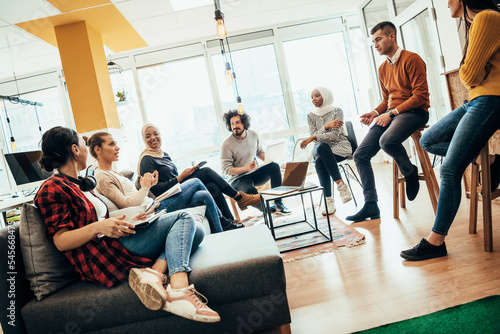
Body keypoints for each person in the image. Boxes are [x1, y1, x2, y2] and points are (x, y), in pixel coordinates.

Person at [35, 126, 220, 323]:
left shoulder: (80, 183)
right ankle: (179, 289)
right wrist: (99, 227)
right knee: (184, 218)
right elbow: (61, 240)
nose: (85, 147)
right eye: (82, 142)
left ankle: (155, 273)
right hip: (103, 253)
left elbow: (101, 218)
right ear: (74, 149)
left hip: (114, 239)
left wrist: (130, 219)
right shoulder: (52, 188)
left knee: (197, 231)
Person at [401, 1, 500, 261]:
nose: (446, 3)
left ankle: (436, 242)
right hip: (476, 100)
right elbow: (471, 76)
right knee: (429, 139)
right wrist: (475, 72)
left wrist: (475, 72)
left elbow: (467, 76)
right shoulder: (476, 22)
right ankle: (489, 160)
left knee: (449, 169)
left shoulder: (486, 18)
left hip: (491, 98)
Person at [346, 21, 430, 222]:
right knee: (360, 155)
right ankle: (371, 205)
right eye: (373, 41)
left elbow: (420, 96)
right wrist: (375, 112)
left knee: (386, 141)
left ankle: (409, 170)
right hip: (394, 114)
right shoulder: (383, 68)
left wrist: (391, 114)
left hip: (416, 112)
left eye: (378, 39)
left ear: (392, 36)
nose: (375, 45)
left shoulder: (412, 59)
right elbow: (387, 99)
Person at [88, 131, 226, 234]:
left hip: (153, 204)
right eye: (112, 144)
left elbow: (136, 197)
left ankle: (221, 234)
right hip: (152, 212)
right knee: (196, 181)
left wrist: (149, 187)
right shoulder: (102, 177)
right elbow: (125, 204)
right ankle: (225, 221)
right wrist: (145, 187)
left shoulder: (113, 173)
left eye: (116, 144)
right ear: (98, 149)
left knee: (203, 195)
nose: (117, 148)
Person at [137, 124, 261, 230]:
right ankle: (239, 197)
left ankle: (229, 222)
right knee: (206, 171)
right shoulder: (146, 160)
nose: (153, 138)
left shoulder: (164, 154)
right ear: (143, 139)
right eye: (148, 136)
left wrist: (186, 174)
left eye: (155, 134)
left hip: (177, 189)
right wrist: (180, 178)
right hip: (166, 199)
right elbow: (156, 189)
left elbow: (171, 177)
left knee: (211, 186)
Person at [220, 110, 291, 215]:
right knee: (250, 192)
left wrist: (270, 159)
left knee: (274, 166)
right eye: (232, 123)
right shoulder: (227, 145)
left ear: (244, 123)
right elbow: (226, 170)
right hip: (238, 179)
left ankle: (278, 203)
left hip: (254, 173)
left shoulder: (253, 135)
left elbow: (259, 152)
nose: (235, 126)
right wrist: (246, 168)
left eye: (237, 122)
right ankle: (265, 208)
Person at [300, 87, 353, 215]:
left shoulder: (337, 111)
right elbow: (315, 138)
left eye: (317, 96)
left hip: (339, 148)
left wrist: (315, 136)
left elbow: (334, 135)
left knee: (319, 161)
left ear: (325, 95)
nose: (313, 100)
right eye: (312, 97)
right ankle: (341, 186)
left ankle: (328, 200)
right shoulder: (311, 116)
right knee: (321, 147)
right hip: (321, 148)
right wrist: (326, 127)